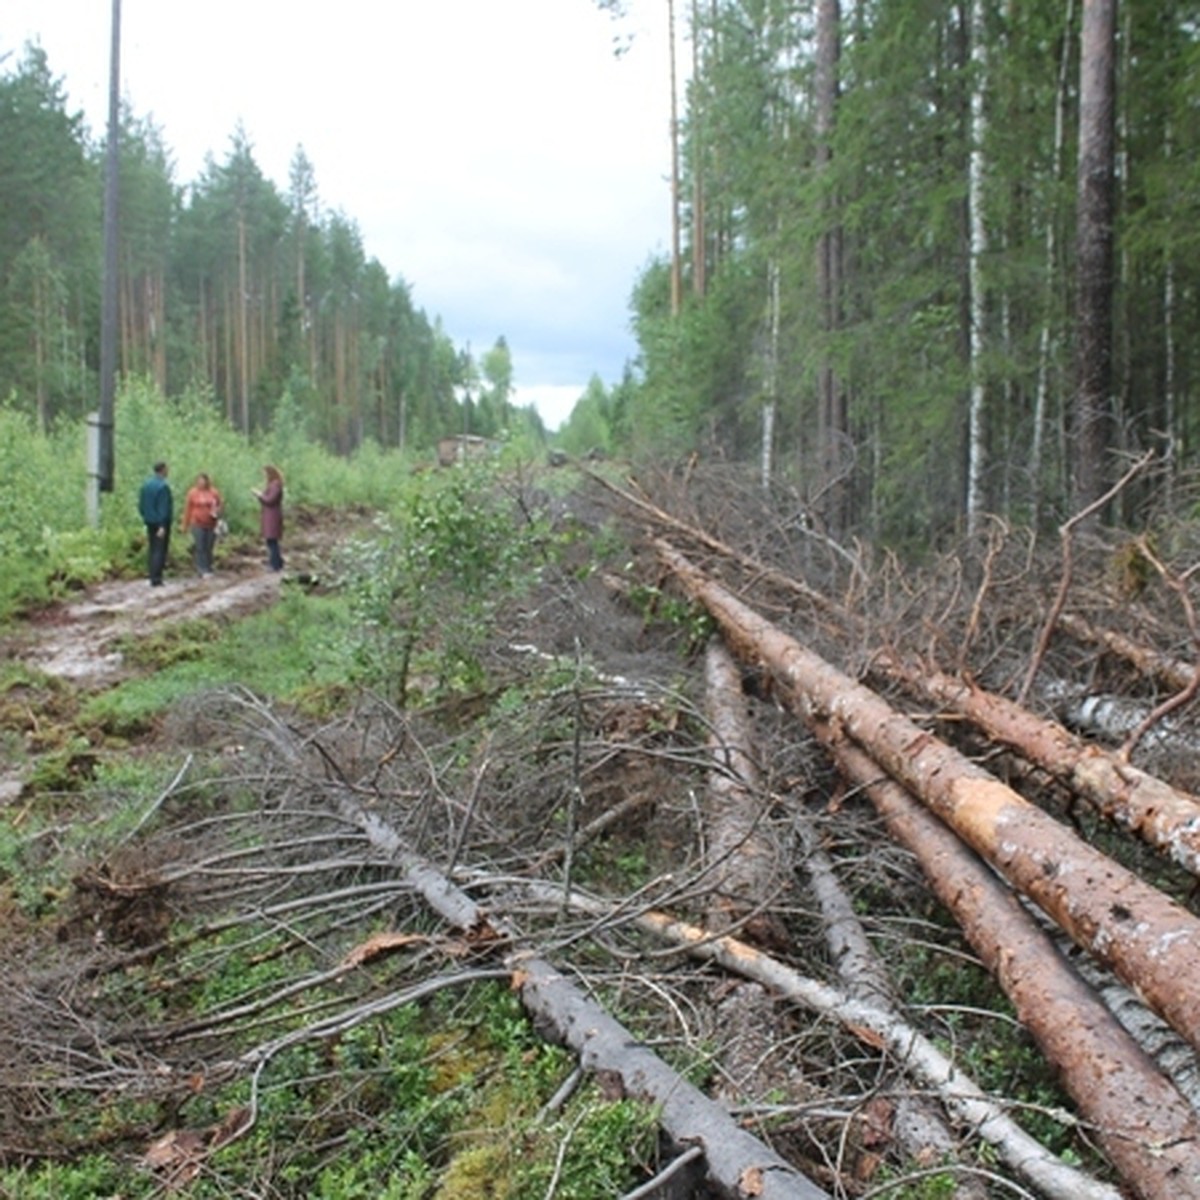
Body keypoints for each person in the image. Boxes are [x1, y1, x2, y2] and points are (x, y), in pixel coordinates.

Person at [180, 472, 224, 577]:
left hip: (211, 523)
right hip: (197, 522)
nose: (201, 482)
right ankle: (201, 568)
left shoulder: (214, 492)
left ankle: (209, 566)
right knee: (200, 546)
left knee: (209, 546)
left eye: (203, 480)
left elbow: (220, 504)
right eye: (199, 480)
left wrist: (218, 512)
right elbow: (188, 509)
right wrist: (184, 525)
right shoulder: (192, 493)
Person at [137, 461, 173, 586]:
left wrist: (146, 516)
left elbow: (141, 506)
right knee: (159, 549)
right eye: (167, 469)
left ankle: (151, 574)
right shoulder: (163, 487)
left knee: (152, 548)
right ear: (163, 470)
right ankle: (156, 578)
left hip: (149, 521)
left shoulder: (146, 485)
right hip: (160, 523)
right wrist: (162, 525)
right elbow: (164, 507)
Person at [252, 464, 285, 571]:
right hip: (271, 515)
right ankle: (277, 562)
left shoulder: (275, 485)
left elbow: (270, 500)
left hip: (272, 516)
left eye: (265, 474)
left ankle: (275, 564)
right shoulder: (275, 485)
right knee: (271, 541)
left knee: (272, 541)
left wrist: (259, 495)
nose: (264, 476)